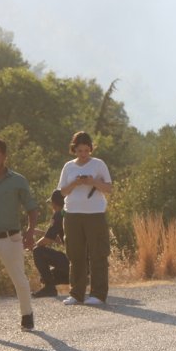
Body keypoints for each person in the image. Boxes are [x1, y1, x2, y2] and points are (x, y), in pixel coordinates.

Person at [0, 138, 38, 336]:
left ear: (4, 156)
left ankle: (27, 314)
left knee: (19, 280)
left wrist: (30, 232)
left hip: (11, 238)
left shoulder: (18, 181)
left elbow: (32, 208)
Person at [58, 131, 112, 306]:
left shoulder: (99, 164)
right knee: (75, 254)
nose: (83, 154)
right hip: (72, 214)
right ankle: (76, 293)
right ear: (74, 150)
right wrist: (75, 183)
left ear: (90, 149)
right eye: (80, 150)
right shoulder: (68, 167)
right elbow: (62, 192)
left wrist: (93, 182)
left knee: (98, 254)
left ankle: (98, 293)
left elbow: (109, 188)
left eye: (86, 150)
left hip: (95, 214)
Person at [31, 189, 70, 298]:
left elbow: (47, 239)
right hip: (83, 267)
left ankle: (49, 288)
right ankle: (83, 279)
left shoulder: (59, 214)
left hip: (71, 266)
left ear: (53, 203)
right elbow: (55, 237)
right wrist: (42, 233)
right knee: (47, 276)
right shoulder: (70, 213)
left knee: (37, 251)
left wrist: (34, 245)